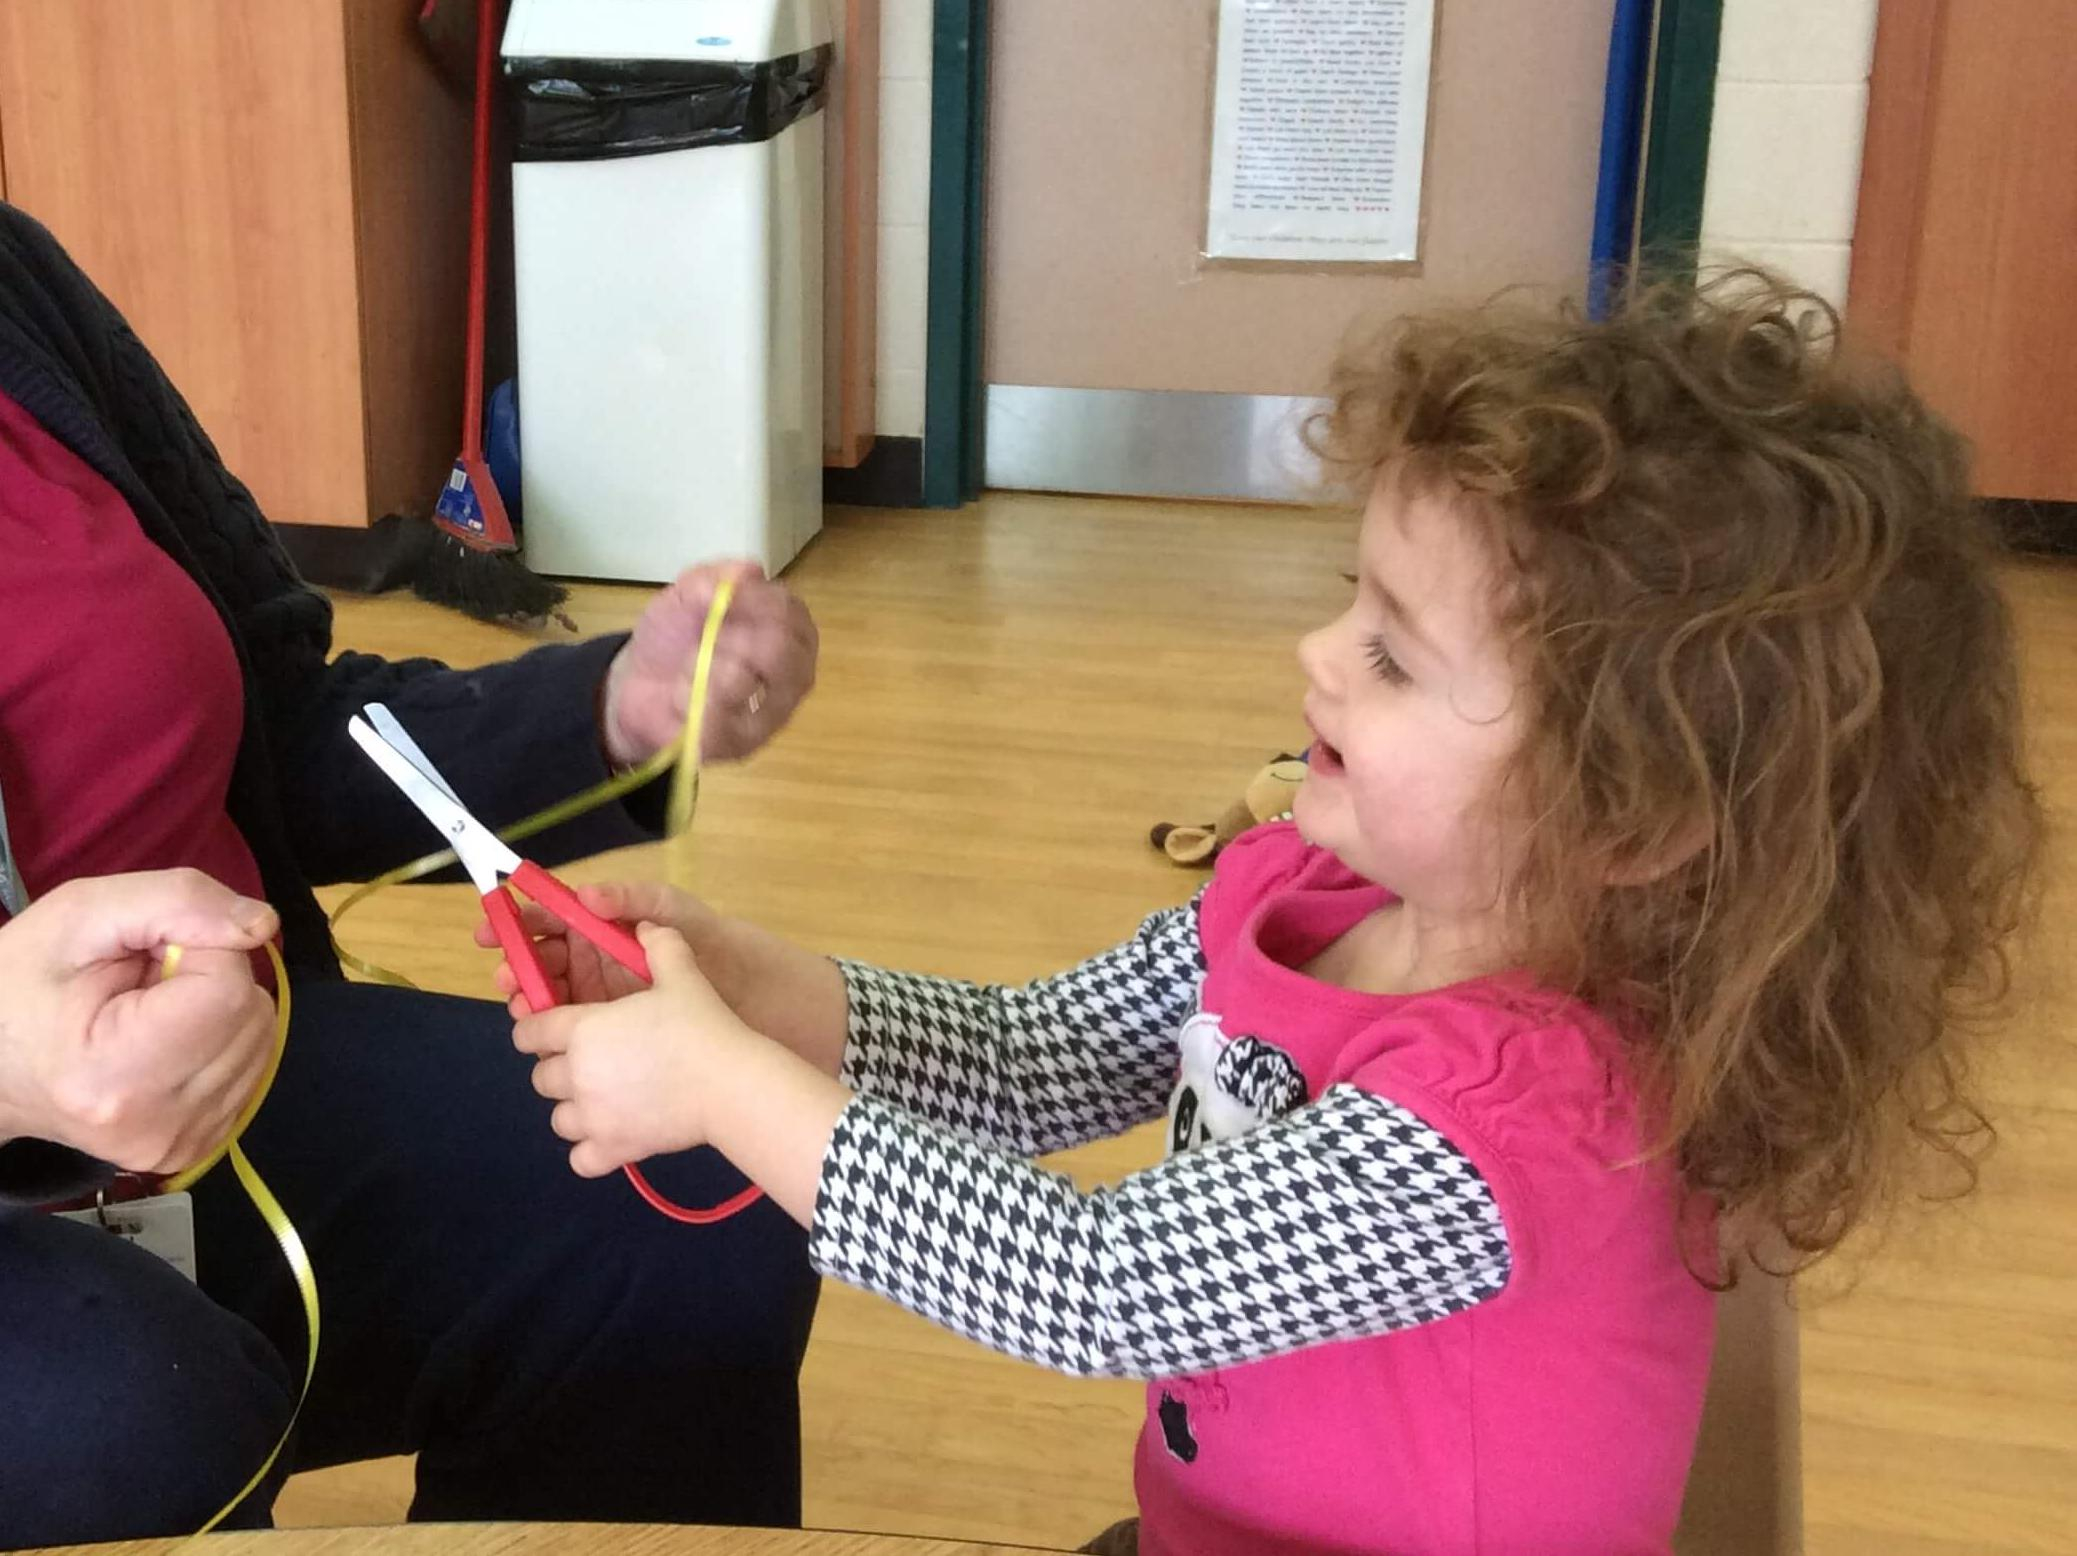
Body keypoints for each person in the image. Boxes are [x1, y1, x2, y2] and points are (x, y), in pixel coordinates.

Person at [488, 275, 2043, 1555]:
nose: (1314, 652)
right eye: (1352, 602)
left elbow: (1088, 1283)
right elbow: (1034, 1058)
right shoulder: (1309, 893)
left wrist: (720, 1089)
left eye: (1394, 656)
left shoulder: (1515, 1118)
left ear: (1629, 815)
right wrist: (754, 990)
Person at [0, 200, 822, 1544]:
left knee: (686, 1203)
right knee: (133, 1419)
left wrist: (609, 712)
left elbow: (283, 721)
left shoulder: (13, 289)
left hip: (227, 1085)